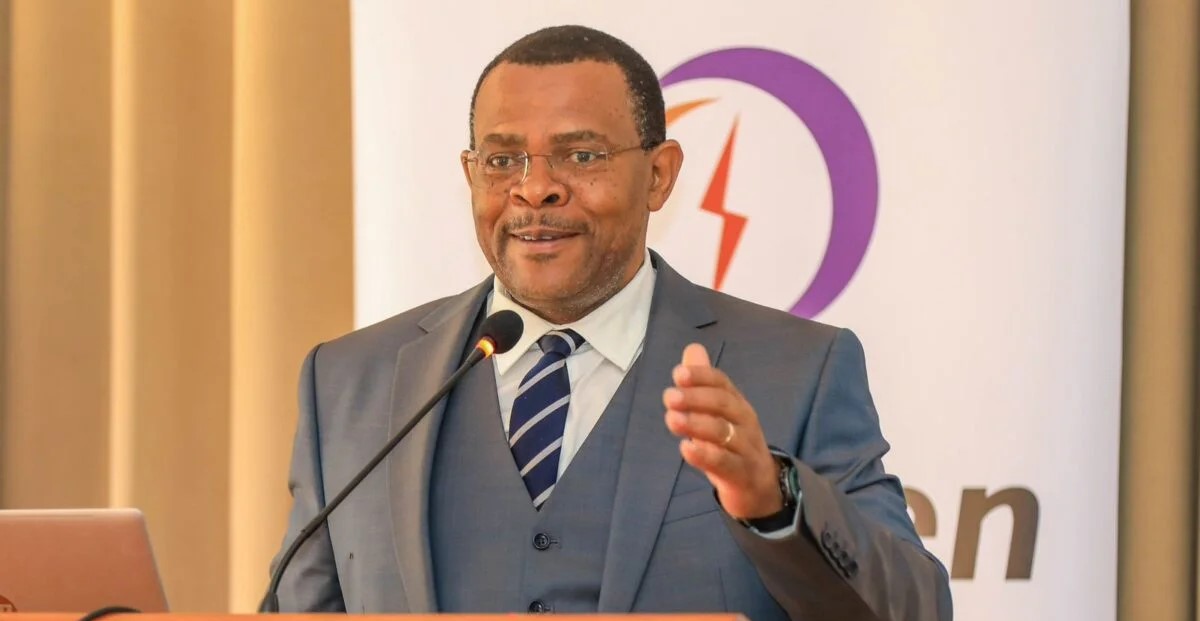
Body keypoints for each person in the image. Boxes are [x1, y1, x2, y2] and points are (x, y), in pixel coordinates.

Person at [272, 24, 952, 621]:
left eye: (581, 155)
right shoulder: (349, 384)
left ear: (659, 175)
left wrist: (773, 499)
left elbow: (912, 610)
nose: (535, 188)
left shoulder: (798, 371)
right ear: (470, 174)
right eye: (503, 160)